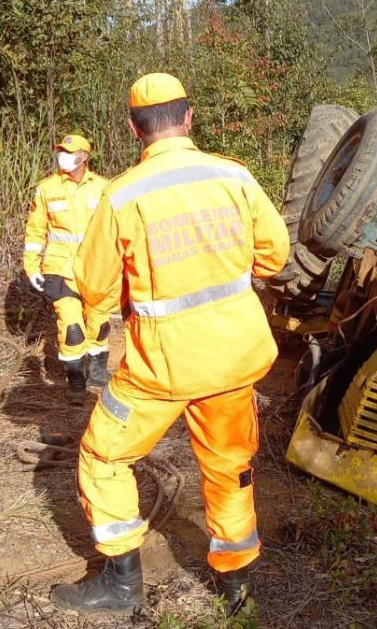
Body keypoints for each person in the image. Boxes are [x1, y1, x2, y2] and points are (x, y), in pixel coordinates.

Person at [50, 73, 290, 617]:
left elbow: (95, 287)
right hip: (234, 359)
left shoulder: (122, 194)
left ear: (134, 128)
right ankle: (235, 587)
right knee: (229, 468)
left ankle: (122, 585)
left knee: (103, 456)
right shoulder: (234, 177)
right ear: (188, 117)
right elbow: (274, 257)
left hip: (161, 369)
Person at [22, 133, 110, 404]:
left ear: (84, 156)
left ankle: (96, 370)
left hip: (97, 269)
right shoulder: (47, 188)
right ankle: (76, 381)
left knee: (99, 324)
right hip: (60, 269)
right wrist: (32, 267)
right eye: (61, 150)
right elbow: (35, 231)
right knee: (72, 328)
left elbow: (116, 229)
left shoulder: (105, 188)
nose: (63, 156)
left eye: (69, 152)